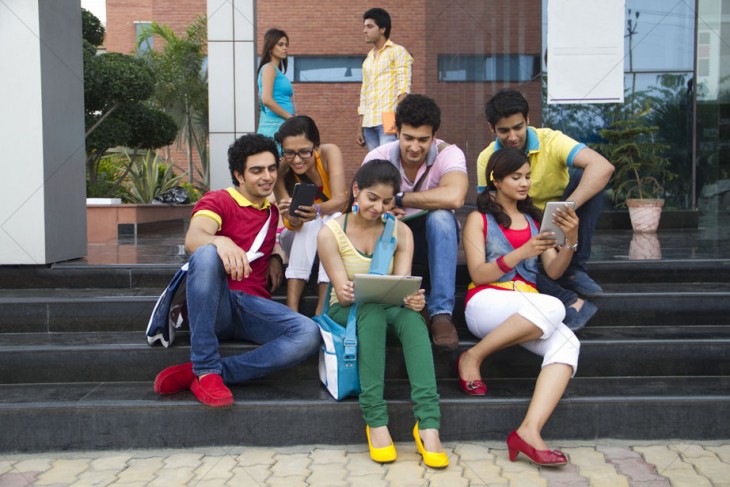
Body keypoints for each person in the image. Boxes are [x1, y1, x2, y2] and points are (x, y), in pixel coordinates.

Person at [152, 134, 320, 408]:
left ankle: (211, 372)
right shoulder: (217, 200)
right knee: (205, 253)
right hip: (217, 305)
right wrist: (220, 240)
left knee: (308, 333)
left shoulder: (271, 212)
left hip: (253, 308)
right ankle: (205, 368)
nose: (267, 177)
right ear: (238, 175)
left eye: (271, 168)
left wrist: (276, 255)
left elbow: (270, 237)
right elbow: (193, 239)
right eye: (256, 170)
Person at [317, 160, 448, 469]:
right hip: (346, 311)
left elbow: (399, 289)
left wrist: (412, 301)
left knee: (413, 320)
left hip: (385, 309)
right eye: (372, 198)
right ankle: (375, 419)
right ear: (356, 191)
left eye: (387, 201)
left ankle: (428, 424)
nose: (378, 207)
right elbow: (340, 290)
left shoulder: (400, 232)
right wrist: (349, 291)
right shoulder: (330, 233)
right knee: (371, 314)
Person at [460, 147, 581, 467]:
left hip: (528, 309)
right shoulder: (478, 219)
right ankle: (473, 355)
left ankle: (529, 431)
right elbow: (477, 273)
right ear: (496, 181)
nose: (525, 183)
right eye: (516, 177)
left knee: (570, 343)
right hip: (485, 302)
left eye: (528, 176)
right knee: (554, 307)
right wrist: (521, 251)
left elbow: (553, 271)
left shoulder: (534, 219)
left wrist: (571, 240)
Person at [477, 89, 614, 330]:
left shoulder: (551, 139)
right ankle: (571, 301)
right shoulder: (486, 157)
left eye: (518, 127)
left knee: (588, 176)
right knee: (502, 244)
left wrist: (563, 211)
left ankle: (575, 270)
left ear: (528, 120)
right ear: (492, 128)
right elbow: (489, 208)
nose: (512, 136)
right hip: (521, 225)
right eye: (504, 130)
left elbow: (603, 167)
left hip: (559, 216)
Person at [363, 94, 467, 351]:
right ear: (396, 132)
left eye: (423, 139)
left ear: (434, 136)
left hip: (435, 238)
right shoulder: (379, 156)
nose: (415, 147)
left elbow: (454, 196)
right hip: (393, 239)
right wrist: (385, 213)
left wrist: (399, 198)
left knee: (442, 216)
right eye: (408, 137)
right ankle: (406, 303)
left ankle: (441, 313)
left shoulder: (449, 153)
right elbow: (361, 206)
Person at [274, 115, 348, 315]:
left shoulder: (329, 153)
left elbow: (341, 200)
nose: (296, 160)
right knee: (312, 224)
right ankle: (292, 309)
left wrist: (316, 211)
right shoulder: (279, 172)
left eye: (304, 152)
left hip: (333, 235)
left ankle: (320, 310)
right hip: (296, 237)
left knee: (328, 221)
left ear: (315, 147)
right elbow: (291, 224)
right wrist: (295, 216)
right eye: (289, 153)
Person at [356, 8, 413, 151]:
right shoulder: (368, 59)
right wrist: (360, 126)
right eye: (364, 26)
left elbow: (404, 88)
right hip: (368, 121)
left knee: (387, 164)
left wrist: (399, 120)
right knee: (374, 165)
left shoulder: (398, 52)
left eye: (369, 26)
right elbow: (364, 94)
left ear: (382, 29)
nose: (364, 30)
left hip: (389, 118)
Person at [257, 28, 294, 139]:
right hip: (274, 127)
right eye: (280, 44)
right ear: (270, 47)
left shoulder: (277, 71)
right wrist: (291, 117)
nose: (285, 48)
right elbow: (267, 100)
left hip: (283, 125)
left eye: (286, 45)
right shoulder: (269, 68)